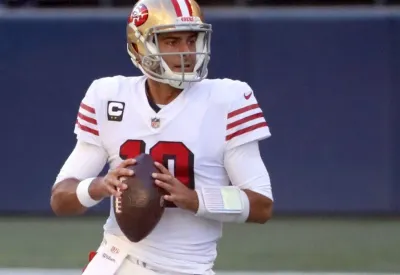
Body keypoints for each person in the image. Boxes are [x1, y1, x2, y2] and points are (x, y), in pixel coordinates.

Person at [49, 0, 274, 274]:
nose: (187, 52)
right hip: (117, 261)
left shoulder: (228, 99)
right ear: (138, 47)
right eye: (172, 41)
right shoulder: (107, 96)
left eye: (192, 40)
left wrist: (196, 199)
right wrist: (99, 185)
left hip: (187, 268)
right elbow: (61, 199)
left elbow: (261, 205)